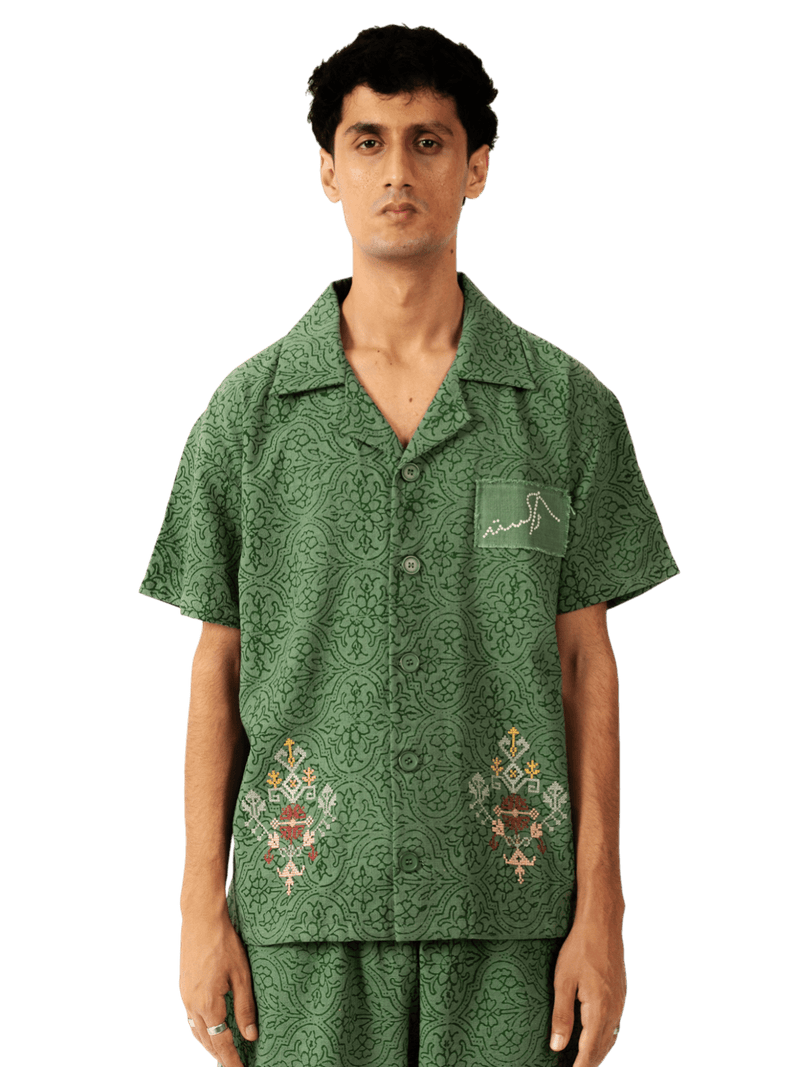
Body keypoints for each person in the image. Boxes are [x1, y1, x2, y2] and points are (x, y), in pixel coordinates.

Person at [137, 22, 680, 1067]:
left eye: (428, 142)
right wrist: (199, 909)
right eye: (370, 141)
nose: (398, 172)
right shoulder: (248, 414)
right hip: (300, 911)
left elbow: (585, 664)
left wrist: (601, 914)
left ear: (475, 167)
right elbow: (217, 663)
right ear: (328, 172)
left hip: (512, 911)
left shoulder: (563, 407)